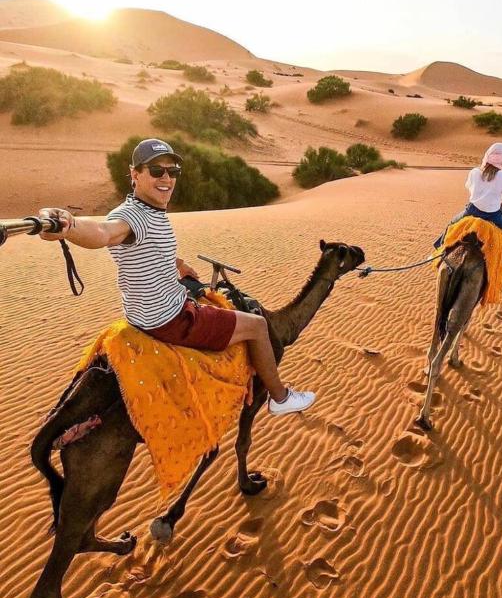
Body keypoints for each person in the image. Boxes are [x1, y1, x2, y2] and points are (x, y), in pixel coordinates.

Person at [38, 138, 316, 415]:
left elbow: (146, 249)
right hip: (172, 319)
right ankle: (280, 398)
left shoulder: (146, 210)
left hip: (142, 313)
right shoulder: (134, 217)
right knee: (256, 325)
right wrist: (70, 226)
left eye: (172, 171)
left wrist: (177, 265)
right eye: (156, 171)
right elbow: (103, 233)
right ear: (135, 174)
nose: (167, 178)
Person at [434, 142, 502, 287]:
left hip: (473, 210)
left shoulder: (474, 172)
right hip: (493, 214)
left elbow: (470, 189)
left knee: (451, 225)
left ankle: (439, 250)